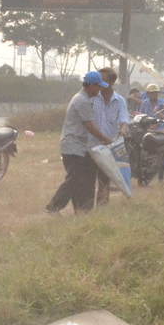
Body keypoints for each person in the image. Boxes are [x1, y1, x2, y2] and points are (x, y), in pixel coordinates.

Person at [45, 71, 113, 215]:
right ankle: (54, 206)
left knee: (84, 180)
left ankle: (82, 210)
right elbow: (91, 127)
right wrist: (106, 139)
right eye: (98, 87)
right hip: (73, 147)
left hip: (78, 147)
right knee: (74, 180)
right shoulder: (82, 101)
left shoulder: (82, 98)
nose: (100, 90)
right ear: (91, 86)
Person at [90, 67, 128, 206]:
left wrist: (122, 130)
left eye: (103, 80)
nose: (99, 84)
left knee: (104, 179)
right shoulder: (92, 98)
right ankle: (86, 208)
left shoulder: (120, 101)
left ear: (112, 82)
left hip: (107, 147)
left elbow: (124, 121)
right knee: (88, 179)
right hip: (90, 145)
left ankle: (102, 208)